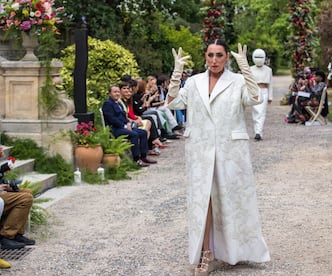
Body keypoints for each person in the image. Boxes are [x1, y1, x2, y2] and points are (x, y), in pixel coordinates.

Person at [166, 40, 270, 275]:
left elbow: (255, 99)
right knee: (204, 202)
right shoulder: (193, 83)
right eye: (210, 55)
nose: (214, 60)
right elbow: (173, 102)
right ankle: (206, 254)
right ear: (205, 56)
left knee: (233, 202)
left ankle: (240, 250)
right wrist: (177, 73)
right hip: (200, 150)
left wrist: (246, 70)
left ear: (226, 58)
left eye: (219, 55)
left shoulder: (237, 81)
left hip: (230, 151)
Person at [102, 85, 157, 167]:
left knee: (143, 132)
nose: (117, 94)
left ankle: (143, 156)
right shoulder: (108, 104)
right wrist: (124, 126)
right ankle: (136, 159)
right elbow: (112, 119)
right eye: (114, 92)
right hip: (115, 129)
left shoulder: (119, 103)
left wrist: (128, 123)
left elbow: (124, 117)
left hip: (123, 127)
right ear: (110, 94)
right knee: (134, 134)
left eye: (118, 92)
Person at [250, 48, 273, 141]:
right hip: (254, 91)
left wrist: (270, 96)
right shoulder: (250, 69)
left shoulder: (268, 70)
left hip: (264, 91)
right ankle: (257, 131)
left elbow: (270, 84)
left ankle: (258, 132)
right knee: (255, 113)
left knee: (261, 113)